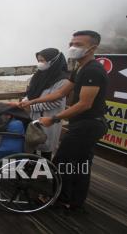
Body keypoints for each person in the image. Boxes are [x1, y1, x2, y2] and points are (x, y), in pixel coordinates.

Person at [21, 30, 108, 212]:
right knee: (81, 164)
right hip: (82, 124)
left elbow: (85, 104)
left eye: (78, 44)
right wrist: (32, 101)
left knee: (63, 161)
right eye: (71, 43)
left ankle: (62, 199)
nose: (72, 47)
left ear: (93, 48)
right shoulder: (80, 68)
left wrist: (53, 118)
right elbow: (61, 93)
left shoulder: (93, 70)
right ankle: (74, 201)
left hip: (89, 124)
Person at [22, 48, 69, 160]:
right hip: (33, 116)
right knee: (31, 142)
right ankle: (30, 169)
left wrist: (31, 107)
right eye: (39, 60)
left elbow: (55, 102)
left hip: (49, 117)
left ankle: (46, 172)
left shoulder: (63, 81)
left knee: (46, 146)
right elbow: (30, 92)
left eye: (43, 60)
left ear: (53, 61)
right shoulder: (38, 75)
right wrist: (25, 101)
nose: (40, 63)